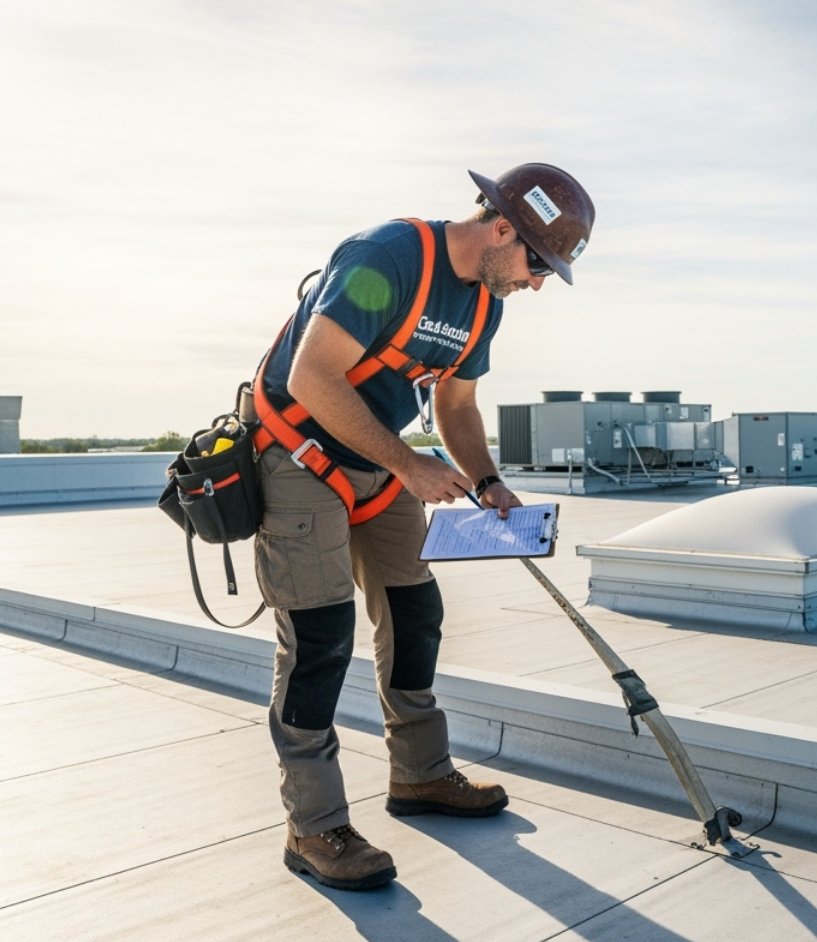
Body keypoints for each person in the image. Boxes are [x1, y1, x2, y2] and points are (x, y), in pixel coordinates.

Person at [249, 164, 595, 890]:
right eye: (539, 264)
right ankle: (313, 826)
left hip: (380, 464)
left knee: (414, 610)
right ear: (503, 228)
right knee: (318, 639)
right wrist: (409, 465)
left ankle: (420, 775)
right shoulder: (391, 257)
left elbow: (458, 409)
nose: (537, 284)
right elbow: (315, 377)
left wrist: (491, 482)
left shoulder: (483, 305)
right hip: (299, 453)